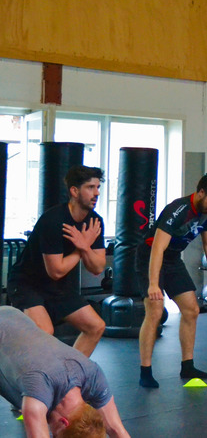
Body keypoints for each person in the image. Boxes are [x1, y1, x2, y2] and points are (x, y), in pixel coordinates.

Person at [136, 173, 207, 389]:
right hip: (150, 257)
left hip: (172, 259)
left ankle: (187, 366)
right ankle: (145, 371)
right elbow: (157, 248)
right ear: (201, 192)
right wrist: (153, 284)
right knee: (155, 311)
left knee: (191, 310)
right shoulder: (177, 210)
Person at [7, 165, 107, 356]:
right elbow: (56, 271)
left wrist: (85, 246)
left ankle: (71, 371)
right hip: (27, 284)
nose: (97, 193)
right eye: (90, 187)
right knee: (45, 332)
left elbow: (97, 267)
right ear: (74, 191)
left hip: (58, 287)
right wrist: (81, 247)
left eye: (98, 187)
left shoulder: (95, 222)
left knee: (96, 326)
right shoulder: (53, 220)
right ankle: (29, 372)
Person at [0, 305, 130, 438]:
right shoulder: (36, 399)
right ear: (64, 422)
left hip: (11, 314)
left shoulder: (94, 375)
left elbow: (117, 430)